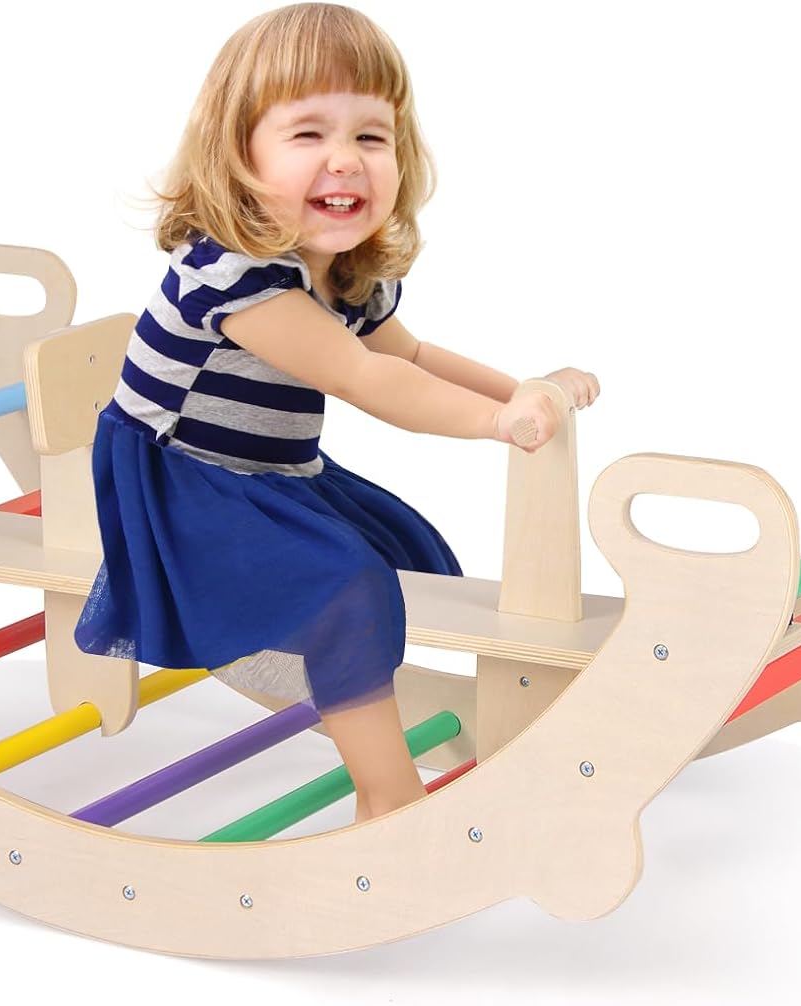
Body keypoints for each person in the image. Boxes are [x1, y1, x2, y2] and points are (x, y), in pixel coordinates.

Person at [74, 2, 600, 825]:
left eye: (370, 135)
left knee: (407, 548)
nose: (346, 160)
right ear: (238, 151)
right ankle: (386, 795)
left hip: (272, 470)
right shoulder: (234, 276)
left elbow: (410, 356)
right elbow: (365, 378)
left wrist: (521, 391)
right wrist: (497, 424)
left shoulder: (345, 269)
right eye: (308, 133)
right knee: (344, 583)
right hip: (181, 482)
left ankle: (382, 688)